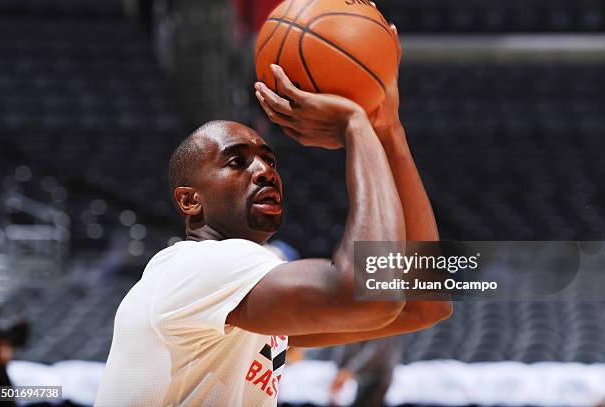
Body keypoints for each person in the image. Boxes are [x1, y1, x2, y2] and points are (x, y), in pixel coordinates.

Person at [95, 26, 451, 407]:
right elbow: (367, 294)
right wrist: (357, 127)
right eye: (236, 161)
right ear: (189, 201)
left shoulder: (235, 298)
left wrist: (390, 130)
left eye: (269, 159)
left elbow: (425, 303)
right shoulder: (197, 265)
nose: (264, 170)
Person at [329, 337, 401, 406]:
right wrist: (341, 370)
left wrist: (348, 370)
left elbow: (377, 347)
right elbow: (343, 341)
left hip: (378, 378)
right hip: (361, 378)